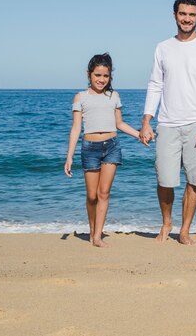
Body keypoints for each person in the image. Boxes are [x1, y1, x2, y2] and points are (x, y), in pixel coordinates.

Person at [140, 0, 196, 245]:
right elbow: (155, 85)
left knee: (194, 179)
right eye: (182, 14)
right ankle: (167, 222)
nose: (186, 19)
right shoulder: (163, 47)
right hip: (167, 122)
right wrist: (147, 120)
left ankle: (185, 229)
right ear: (175, 15)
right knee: (165, 179)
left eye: (191, 15)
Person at [64, 53, 140, 248]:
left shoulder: (114, 96)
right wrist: (69, 157)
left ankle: (97, 236)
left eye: (105, 76)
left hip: (112, 146)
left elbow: (120, 123)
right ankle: (92, 229)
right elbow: (75, 129)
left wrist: (139, 134)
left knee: (104, 193)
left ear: (110, 77)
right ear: (89, 74)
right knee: (92, 196)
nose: (101, 80)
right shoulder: (80, 97)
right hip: (89, 148)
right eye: (97, 75)